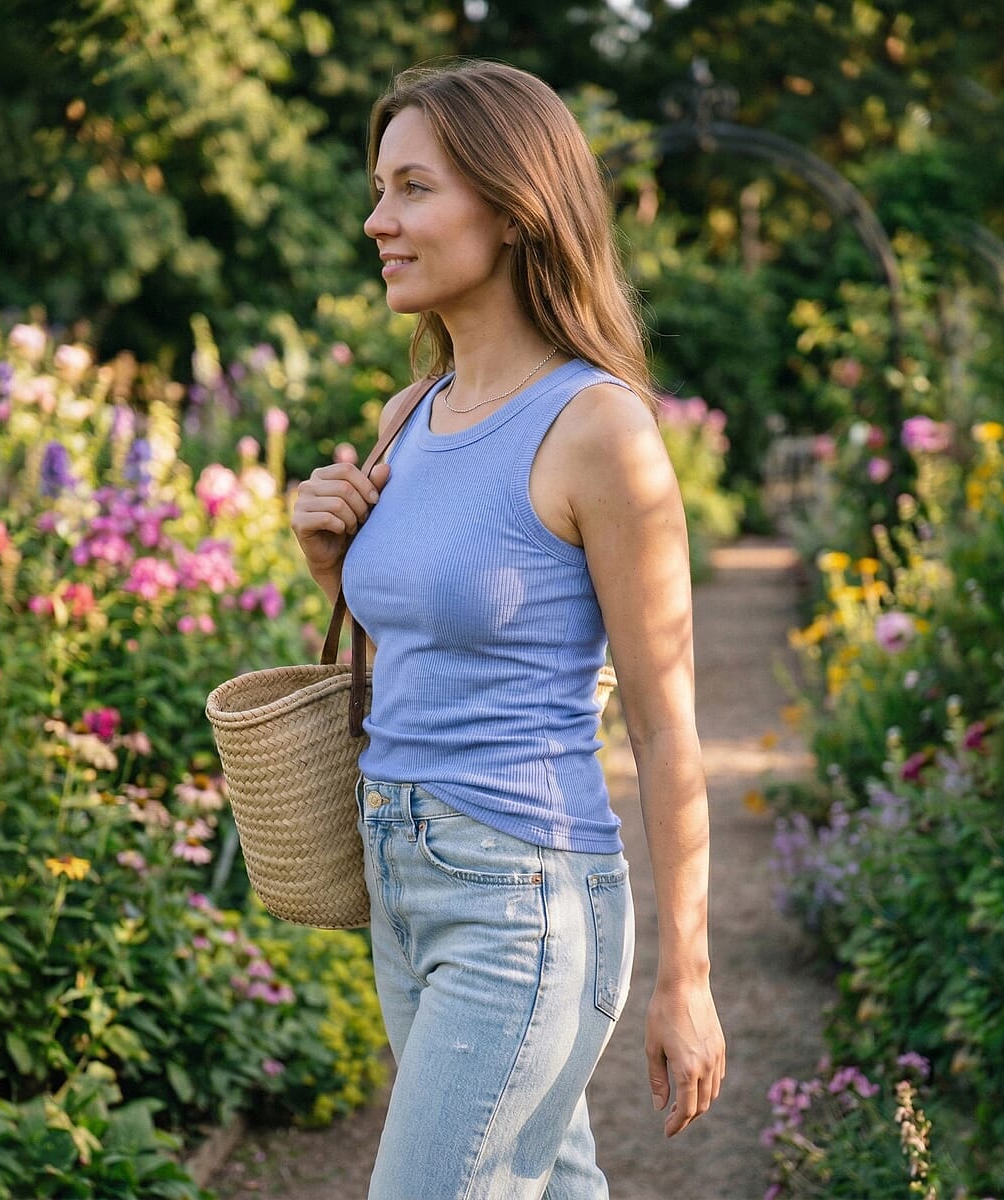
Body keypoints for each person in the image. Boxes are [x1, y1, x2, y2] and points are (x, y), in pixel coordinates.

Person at [290, 59, 725, 1199]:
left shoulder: (598, 430)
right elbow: (434, 651)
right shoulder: (408, 417)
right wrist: (331, 568)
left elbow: (667, 727)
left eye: (412, 189)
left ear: (514, 205)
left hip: (520, 900)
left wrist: (688, 975)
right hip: (402, 877)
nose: (377, 219)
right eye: (380, 188)